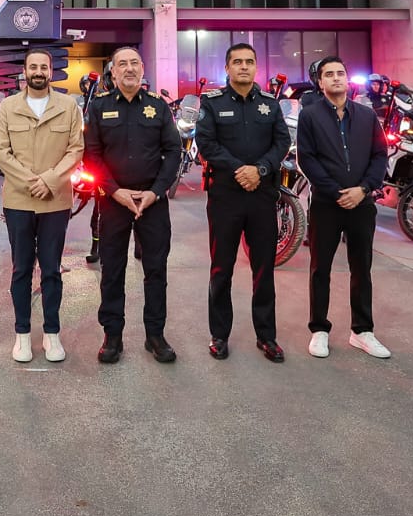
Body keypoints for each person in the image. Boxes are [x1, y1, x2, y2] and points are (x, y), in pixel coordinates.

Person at [84, 46, 182, 364]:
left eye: (134, 63)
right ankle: (112, 336)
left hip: (152, 202)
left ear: (142, 69)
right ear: (113, 72)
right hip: (113, 202)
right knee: (112, 270)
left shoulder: (158, 107)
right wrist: (115, 191)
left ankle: (155, 335)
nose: (129, 68)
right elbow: (91, 155)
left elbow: (173, 151)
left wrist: (155, 192)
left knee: (155, 270)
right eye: (122, 64)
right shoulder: (99, 107)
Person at [196, 42, 291, 363]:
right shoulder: (212, 103)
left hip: (262, 196)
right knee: (221, 268)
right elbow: (206, 142)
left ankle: (267, 336)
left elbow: (282, 141)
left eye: (249, 62)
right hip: (226, 197)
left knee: (264, 268)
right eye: (237, 62)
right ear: (227, 68)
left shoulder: (270, 104)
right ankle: (219, 335)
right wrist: (240, 169)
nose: (244, 67)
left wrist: (260, 170)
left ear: (256, 67)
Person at [295, 55, 392, 361]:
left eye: (340, 73)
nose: (336, 78)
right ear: (320, 81)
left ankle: (362, 331)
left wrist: (363, 189)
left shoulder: (366, 115)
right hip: (327, 204)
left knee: (361, 267)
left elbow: (380, 154)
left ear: (347, 80)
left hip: (362, 203)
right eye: (329, 74)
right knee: (320, 268)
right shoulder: (309, 116)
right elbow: (306, 158)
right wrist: (335, 191)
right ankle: (319, 330)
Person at [0, 48, 84, 364]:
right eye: (32, 66)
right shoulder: (9, 106)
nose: (38, 72)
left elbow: (76, 150)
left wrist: (49, 180)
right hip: (18, 200)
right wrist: (31, 180)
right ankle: (22, 334)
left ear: (50, 71)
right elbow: (1, 152)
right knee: (20, 268)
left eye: (43, 67)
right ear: (25, 71)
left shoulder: (68, 106)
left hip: (55, 200)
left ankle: (51, 333)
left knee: (51, 269)